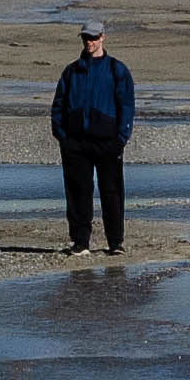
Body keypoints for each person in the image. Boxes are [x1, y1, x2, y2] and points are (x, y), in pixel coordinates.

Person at [49, 19, 135, 258]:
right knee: (78, 192)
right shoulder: (71, 71)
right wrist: (62, 136)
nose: (90, 42)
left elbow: (126, 105)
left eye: (94, 37)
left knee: (112, 192)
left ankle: (115, 242)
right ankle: (80, 242)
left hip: (108, 142)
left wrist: (121, 137)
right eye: (86, 38)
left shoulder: (117, 70)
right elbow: (58, 105)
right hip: (76, 143)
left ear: (102, 38)